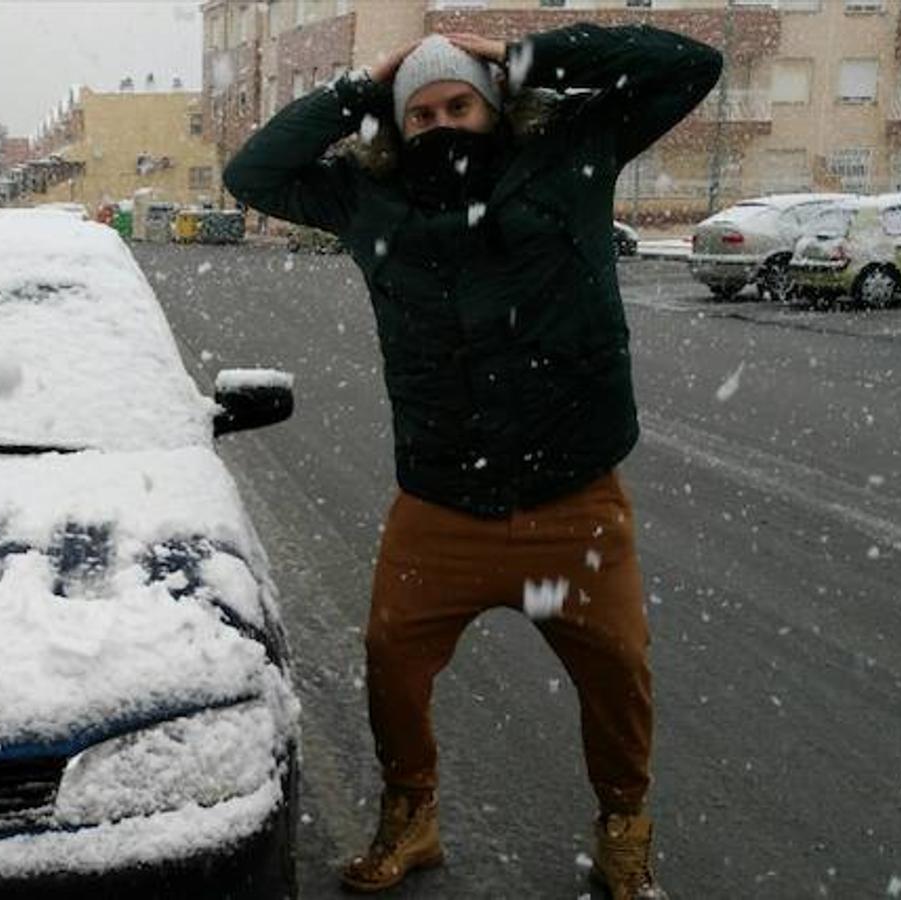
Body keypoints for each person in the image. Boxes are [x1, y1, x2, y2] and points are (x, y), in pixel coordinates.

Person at [222, 23, 721, 900]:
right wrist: (362, 86)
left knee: (617, 673)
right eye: (419, 114)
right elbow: (253, 174)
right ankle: (410, 815)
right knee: (391, 662)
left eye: (459, 104)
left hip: (573, 499)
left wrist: (520, 53)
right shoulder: (365, 198)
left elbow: (688, 65)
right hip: (440, 503)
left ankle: (622, 830)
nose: (441, 124)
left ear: (494, 105)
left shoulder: (571, 153)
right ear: (396, 125)